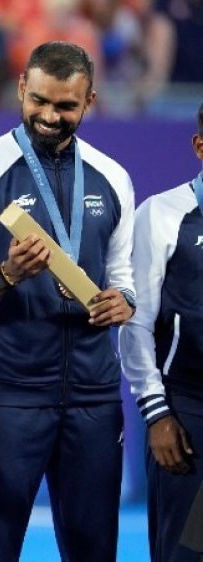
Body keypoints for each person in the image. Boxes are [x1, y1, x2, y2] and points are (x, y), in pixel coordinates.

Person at [0, 40, 136, 561]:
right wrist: (7, 274)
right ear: (22, 87)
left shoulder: (113, 178)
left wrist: (125, 303)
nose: (49, 116)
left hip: (94, 396)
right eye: (40, 101)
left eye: (65, 106)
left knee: (95, 551)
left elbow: (123, 277)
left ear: (89, 101)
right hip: (10, 395)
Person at [119, 101, 203, 562]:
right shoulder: (164, 215)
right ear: (199, 146)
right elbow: (136, 321)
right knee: (186, 554)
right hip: (189, 417)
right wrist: (157, 413)